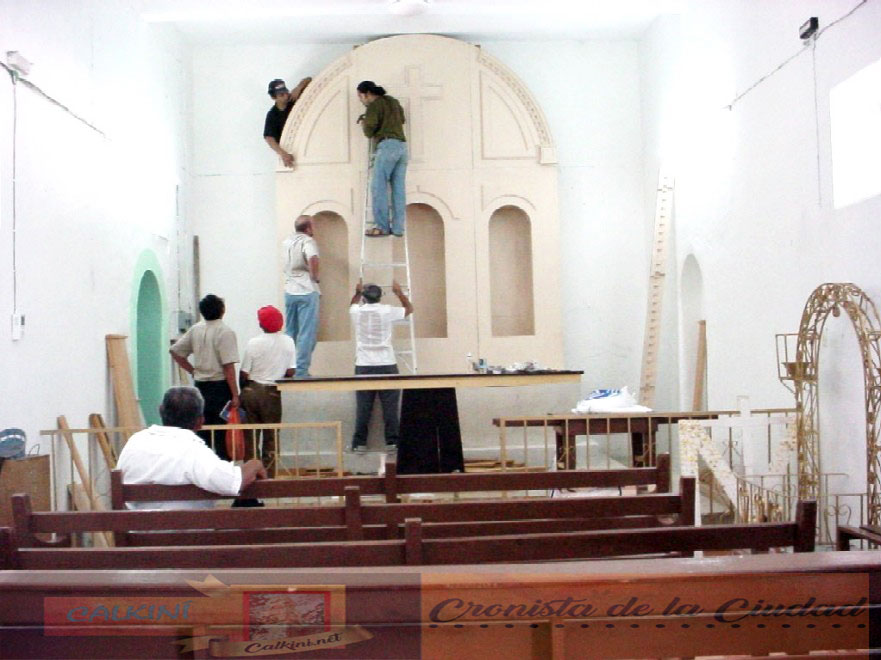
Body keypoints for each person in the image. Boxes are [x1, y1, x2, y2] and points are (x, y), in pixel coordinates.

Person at [117, 386, 267, 510]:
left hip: (136, 533)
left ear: (160, 411)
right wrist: (255, 464)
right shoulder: (193, 450)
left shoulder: (135, 442)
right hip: (185, 535)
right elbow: (232, 482)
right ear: (200, 422)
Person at [170, 294, 240, 460]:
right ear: (222, 310)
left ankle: (203, 466)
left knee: (202, 430)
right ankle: (223, 468)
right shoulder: (225, 332)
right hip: (220, 387)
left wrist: (192, 371)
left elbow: (175, 351)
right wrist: (235, 394)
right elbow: (228, 367)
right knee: (222, 433)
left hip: (200, 387)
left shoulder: (196, 329)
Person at [349, 280, 413, 452]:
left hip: (364, 364)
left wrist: (357, 292)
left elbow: (352, 304)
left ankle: (359, 443)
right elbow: (409, 309)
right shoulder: (387, 311)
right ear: (380, 297)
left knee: (363, 407)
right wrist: (399, 293)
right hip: (387, 363)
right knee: (390, 407)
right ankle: (393, 442)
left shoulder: (357, 312)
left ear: (364, 298)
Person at [240, 305, 295, 475]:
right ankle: (269, 477)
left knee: (250, 437)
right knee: (271, 437)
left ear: (261, 324)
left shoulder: (253, 343)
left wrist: (242, 392)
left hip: (251, 391)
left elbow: (244, 373)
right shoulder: (288, 341)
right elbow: (291, 371)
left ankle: (251, 475)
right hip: (273, 392)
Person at [356, 81, 408, 237]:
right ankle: (398, 228)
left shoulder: (374, 105)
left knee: (378, 186)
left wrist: (364, 122)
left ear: (367, 94)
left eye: (360, 97)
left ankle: (382, 227)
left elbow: (369, 131)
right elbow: (402, 119)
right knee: (398, 190)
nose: (361, 100)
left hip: (387, 146)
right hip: (402, 147)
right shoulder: (393, 102)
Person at [282, 215, 321, 378]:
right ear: (308, 228)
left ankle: (288, 367)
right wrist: (315, 276)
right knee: (307, 333)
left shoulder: (286, 242)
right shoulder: (308, 241)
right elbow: (313, 257)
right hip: (306, 290)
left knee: (290, 332)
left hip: (289, 290)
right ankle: (301, 370)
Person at [263, 77, 312, 167]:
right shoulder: (272, 115)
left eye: (286, 92)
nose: (286, 96)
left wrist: (298, 87)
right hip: (291, 151)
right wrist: (283, 154)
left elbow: (309, 79)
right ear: (274, 97)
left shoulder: (293, 99)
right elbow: (269, 138)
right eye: (281, 95)